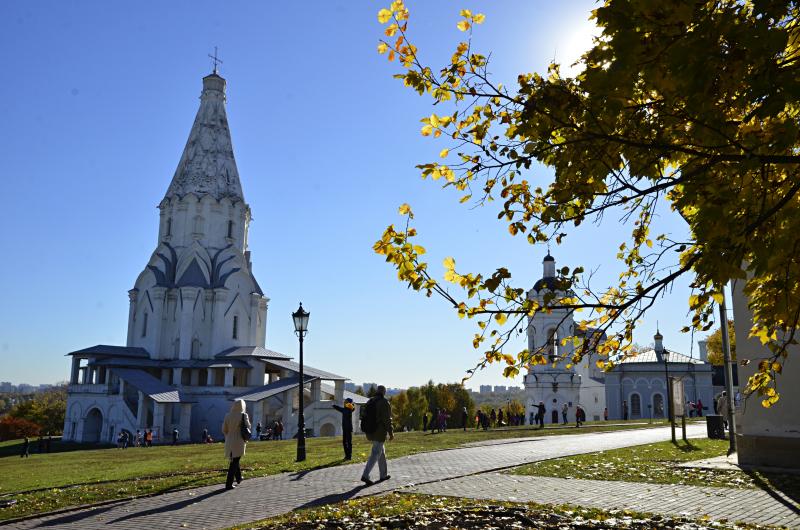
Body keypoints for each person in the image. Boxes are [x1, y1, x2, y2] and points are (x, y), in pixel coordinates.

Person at [360, 385, 393, 486]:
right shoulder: (384, 402)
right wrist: (391, 432)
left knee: (381, 451)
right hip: (379, 431)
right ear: (384, 392)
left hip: (370, 431)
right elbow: (387, 419)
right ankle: (365, 475)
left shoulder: (370, 401)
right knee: (375, 453)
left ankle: (383, 474)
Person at [222, 399, 250, 490]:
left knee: (234, 460)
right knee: (235, 462)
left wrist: (229, 434)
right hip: (238, 441)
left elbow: (224, 430)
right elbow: (248, 426)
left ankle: (239, 478)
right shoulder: (243, 415)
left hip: (229, 440)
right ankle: (228, 484)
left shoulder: (227, 415)